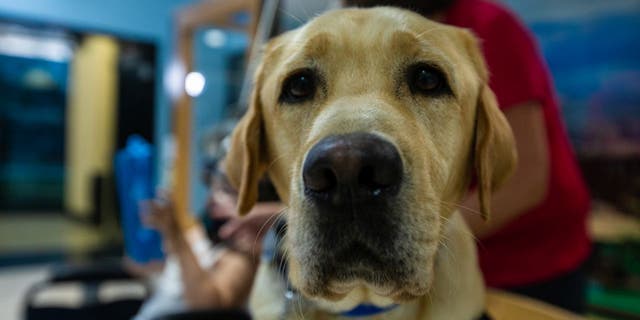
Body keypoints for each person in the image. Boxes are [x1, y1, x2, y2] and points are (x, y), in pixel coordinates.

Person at [343, 0, 591, 313]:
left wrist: (397, 232)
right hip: (435, 261)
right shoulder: (363, 37)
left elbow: (526, 180)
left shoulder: (489, 27)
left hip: (528, 263)